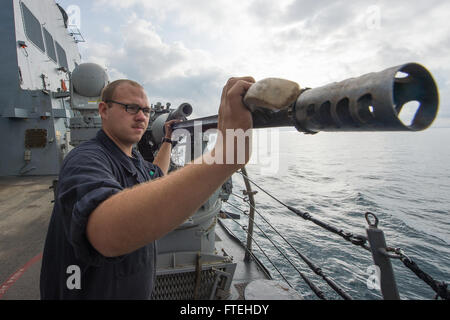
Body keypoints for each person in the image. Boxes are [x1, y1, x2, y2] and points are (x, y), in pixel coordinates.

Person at [40, 76, 255, 299]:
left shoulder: (134, 160)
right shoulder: (85, 159)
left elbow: (156, 175)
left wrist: (168, 140)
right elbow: (107, 233)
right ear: (104, 110)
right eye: (131, 108)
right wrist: (222, 159)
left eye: (146, 110)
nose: (142, 117)